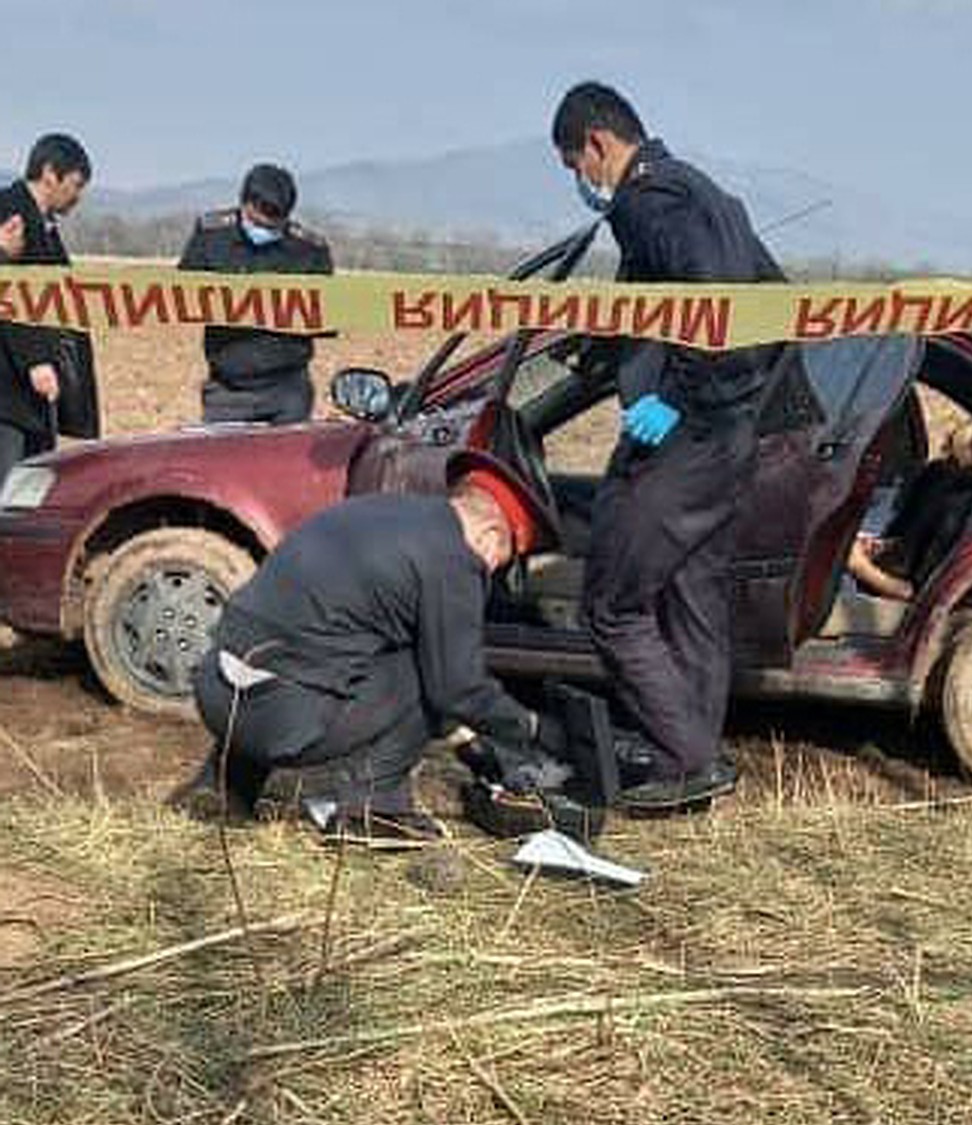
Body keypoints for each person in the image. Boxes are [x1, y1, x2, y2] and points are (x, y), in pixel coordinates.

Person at [551, 81, 786, 809]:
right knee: (692, 596)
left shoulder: (652, 200)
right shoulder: (707, 193)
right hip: (730, 434)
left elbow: (710, 309)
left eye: (574, 165)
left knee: (612, 605)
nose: (581, 182)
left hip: (693, 433)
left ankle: (686, 757)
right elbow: (765, 305)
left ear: (597, 143)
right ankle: (688, 755)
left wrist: (671, 399)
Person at [178, 449, 567, 845]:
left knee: (292, 649)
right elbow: (454, 688)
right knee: (425, 666)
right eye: (504, 559)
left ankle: (221, 789)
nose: (495, 569)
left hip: (217, 693)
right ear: (490, 537)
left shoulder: (377, 513)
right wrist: (531, 728)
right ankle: (374, 810)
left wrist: (469, 745)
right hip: (277, 721)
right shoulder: (454, 560)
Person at [178, 163, 333, 425]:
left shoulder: (309, 249)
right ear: (244, 204)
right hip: (227, 392)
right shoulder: (211, 236)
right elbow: (180, 297)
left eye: (275, 227)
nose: (265, 233)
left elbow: (327, 318)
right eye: (259, 224)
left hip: (289, 391)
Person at [0, 134, 98, 489]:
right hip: (8, 392)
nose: (78, 196)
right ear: (49, 174)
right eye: (75, 185)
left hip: (32, 397)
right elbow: (9, 293)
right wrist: (35, 361)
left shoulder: (46, 228)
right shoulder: (8, 211)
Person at [847, 407, 972, 601]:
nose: (956, 428)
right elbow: (909, 540)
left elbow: (914, 593)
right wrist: (880, 545)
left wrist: (859, 567)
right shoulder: (937, 475)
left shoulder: (958, 513)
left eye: (967, 427)